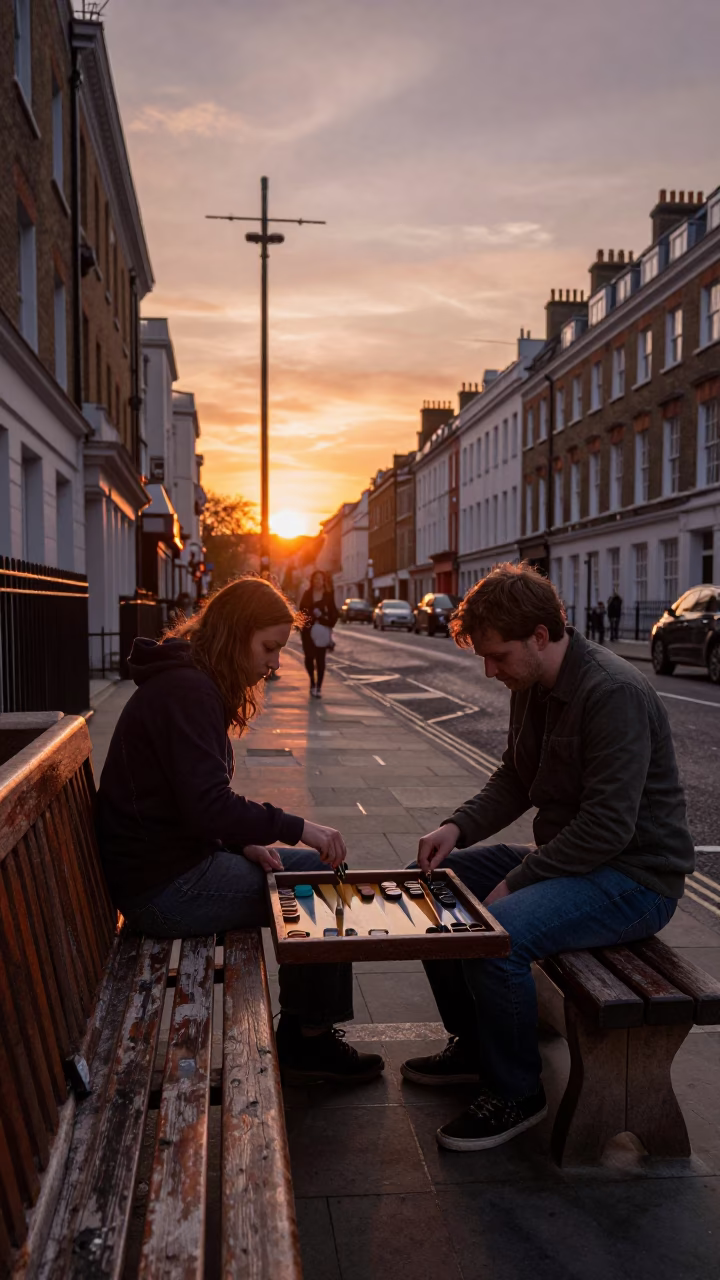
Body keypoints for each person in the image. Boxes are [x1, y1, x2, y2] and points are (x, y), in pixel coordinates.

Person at [401, 563, 694, 1152]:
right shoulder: (531, 683)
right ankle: (475, 1046)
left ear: (540, 636)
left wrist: (517, 880)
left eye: (498, 656)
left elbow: (608, 827)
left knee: (497, 934)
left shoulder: (613, 694)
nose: (489, 669)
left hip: (635, 878)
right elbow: (517, 776)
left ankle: (516, 1092)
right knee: (427, 884)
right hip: (577, 860)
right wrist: (456, 827)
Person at [96, 574, 382, 1086]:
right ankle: (309, 1043)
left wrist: (241, 840)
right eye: (270, 648)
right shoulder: (189, 691)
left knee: (320, 875)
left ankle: (306, 1032)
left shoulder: (188, 681)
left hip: (166, 865)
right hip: (163, 888)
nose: (274, 664)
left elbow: (190, 804)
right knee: (321, 888)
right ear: (236, 634)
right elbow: (207, 805)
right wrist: (297, 827)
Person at [299, 570, 338, 698]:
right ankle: (312, 682)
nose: (318, 581)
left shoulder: (328, 596)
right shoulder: (307, 594)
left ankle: (318, 687)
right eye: (315, 578)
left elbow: (334, 614)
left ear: (324, 581)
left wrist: (323, 619)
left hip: (322, 631)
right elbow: (302, 612)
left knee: (320, 659)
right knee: (309, 658)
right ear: (312, 580)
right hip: (308, 632)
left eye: (320, 579)